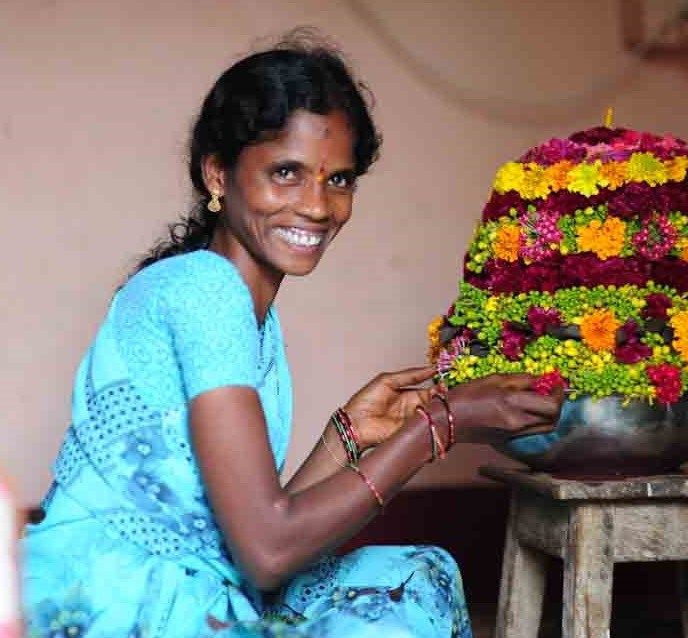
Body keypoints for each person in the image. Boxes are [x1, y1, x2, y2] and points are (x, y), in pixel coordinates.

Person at [22, 33, 563, 637]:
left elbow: (258, 530)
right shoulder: (206, 290)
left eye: (339, 180)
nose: (317, 206)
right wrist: (439, 425)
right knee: (402, 593)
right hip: (112, 603)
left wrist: (348, 438)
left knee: (410, 576)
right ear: (218, 174)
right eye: (287, 173)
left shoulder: (250, 313)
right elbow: (268, 550)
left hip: (187, 590)